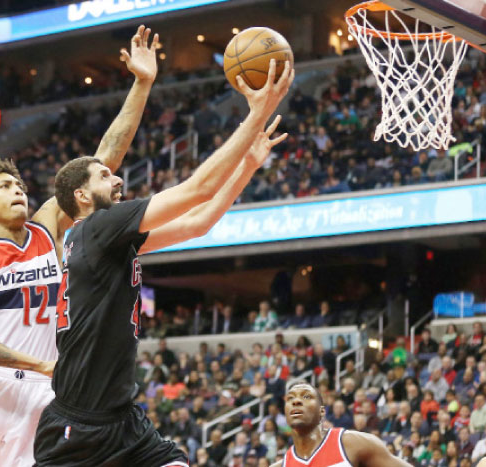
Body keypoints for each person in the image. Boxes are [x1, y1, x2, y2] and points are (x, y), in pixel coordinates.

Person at [34, 59, 294, 466]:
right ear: (82, 197)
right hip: (77, 429)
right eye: (104, 176)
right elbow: (199, 189)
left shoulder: (100, 240)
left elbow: (197, 224)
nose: (117, 179)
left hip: (122, 421)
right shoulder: (98, 227)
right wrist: (257, 112)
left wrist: (247, 166)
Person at [0, 25, 160, 466]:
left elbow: (102, 162)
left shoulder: (47, 229)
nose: (18, 189)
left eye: (19, 183)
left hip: (49, 393)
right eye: (4, 185)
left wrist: (141, 84)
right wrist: (37, 364)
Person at [276, 382, 413, 467]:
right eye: (290, 398)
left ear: (322, 411)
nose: (296, 402)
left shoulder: (352, 443)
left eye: (306, 397)